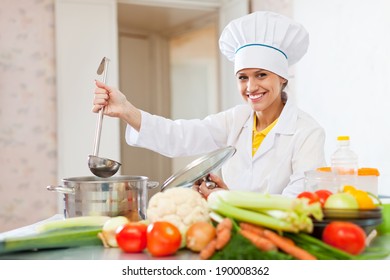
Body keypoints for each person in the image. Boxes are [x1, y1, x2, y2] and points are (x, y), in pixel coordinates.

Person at [92, 11, 326, 198]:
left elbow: (301, 201)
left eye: (261, 75)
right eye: (243, 77)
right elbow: (178, 136)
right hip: (228, 229)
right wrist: (126, 109)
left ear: (282, 77)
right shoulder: (236, 119)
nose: (251, 87)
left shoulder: (306, 132)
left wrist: (228, 199)